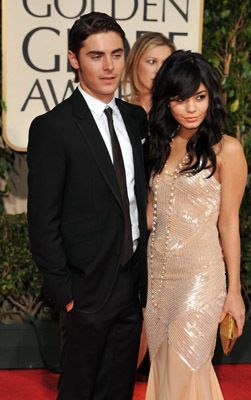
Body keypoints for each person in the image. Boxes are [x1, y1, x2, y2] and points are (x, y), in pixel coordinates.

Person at [27, 12, 148, 400]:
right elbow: (42, 222)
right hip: (85, 289)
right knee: (79, 391)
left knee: (119, 389)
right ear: (74, 59)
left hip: (132, 284)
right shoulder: (53, 127)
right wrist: (67, 295)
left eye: (116, 53)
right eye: (96, 56)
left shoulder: (134, 118)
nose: (109, 65)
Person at [144, 50, 247, 399]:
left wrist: (234, 292)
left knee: (184, 370)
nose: (191, 108)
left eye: (200, 97)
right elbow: (151, 214)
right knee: (164, 373)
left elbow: (229, 223)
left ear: (211, 97)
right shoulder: (158, 146)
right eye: (180, 99)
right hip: (157, 280)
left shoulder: (227, 149)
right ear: (166, 102)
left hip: (199, 282)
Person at [123, 32, 175, 374]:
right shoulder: (119, 110)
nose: (157, 71)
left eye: (164, 63)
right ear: (135, 63)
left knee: (148, 314)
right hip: (118, 229)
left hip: (162, 231)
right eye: (150, 61)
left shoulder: (175, 115)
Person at [123, 32, 176, 114]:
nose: (159, 70)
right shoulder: (120, 114)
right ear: (135, 63)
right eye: (152, 61)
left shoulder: (177, 113)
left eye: (165, 63)